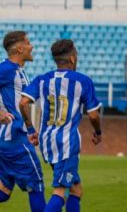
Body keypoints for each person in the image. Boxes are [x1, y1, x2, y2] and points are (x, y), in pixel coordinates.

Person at [19, 39, 102, 212]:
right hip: (67, 143)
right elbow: (93, 114)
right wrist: (98, 132)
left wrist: (31, 129)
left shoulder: (43, 80)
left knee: (76, 190)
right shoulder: (82, 81)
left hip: (47, 142)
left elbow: (23, 103)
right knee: (60, 190)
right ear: (72, 58)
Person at [0, 31, 46, 212]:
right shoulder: (6, 69)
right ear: (20, 48)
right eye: (28, 42)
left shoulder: (18, 70)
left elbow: (22, 104)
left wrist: (31, 129)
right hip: (14, 141)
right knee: (36, 184)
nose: (32, 46)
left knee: (4, 191)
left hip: (12, 138)